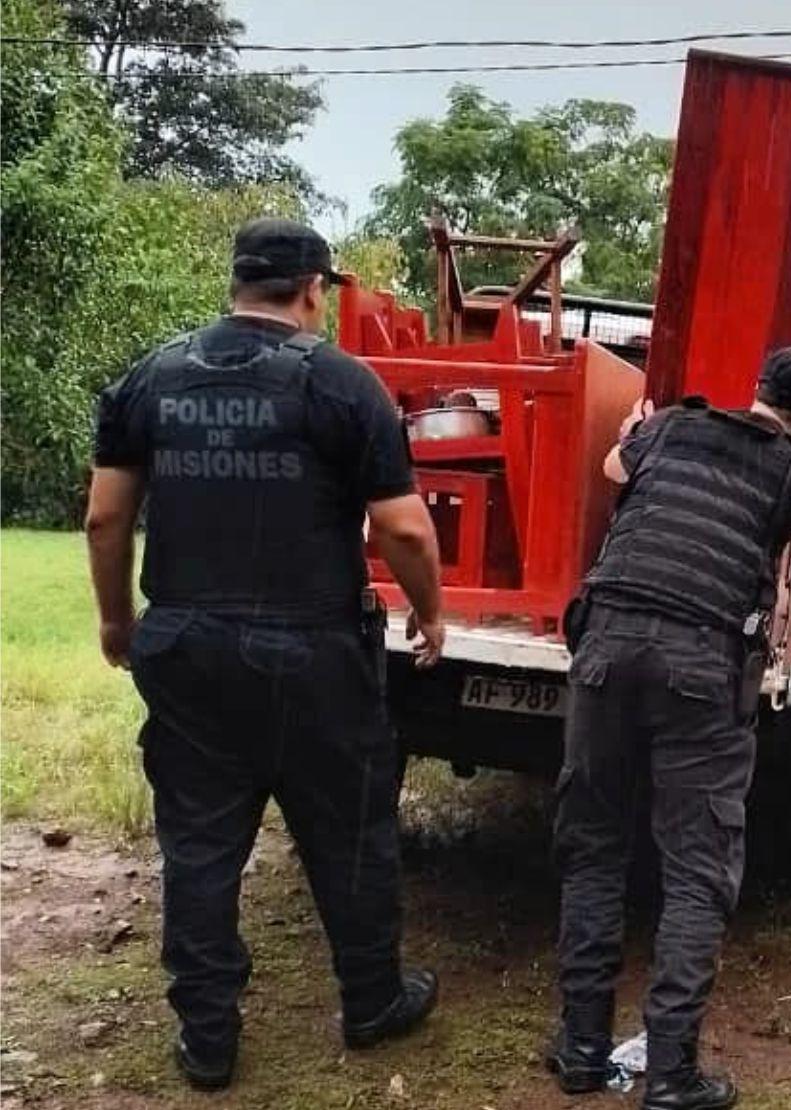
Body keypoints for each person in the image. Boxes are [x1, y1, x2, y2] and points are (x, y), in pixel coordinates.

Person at [84, 217, 447, 1090]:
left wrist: (114, 624)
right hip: (312, 651)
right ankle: (371, 1001)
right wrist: (429, 615)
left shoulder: (153, 376)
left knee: (200, 846)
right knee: (349, 830)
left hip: (186, 648)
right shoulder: (341, 385)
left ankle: (208, 1038)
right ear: (314, 288)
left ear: (238, 280)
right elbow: (401, 527)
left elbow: (105, 517)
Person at [548, 348, 791, 1108]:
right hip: (701, 666)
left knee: (593, 847)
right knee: (697, 867)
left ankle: (579, 1047)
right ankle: (671, 1075)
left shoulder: (671, 429)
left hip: (605, 648)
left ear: (756, 388)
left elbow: (615, 469)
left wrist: (630, 431)